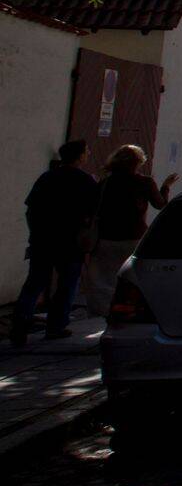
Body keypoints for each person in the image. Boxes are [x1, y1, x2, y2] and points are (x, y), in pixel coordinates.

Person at [9, 140, 97, 346]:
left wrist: (36, 233)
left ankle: (19, 326)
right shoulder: (85, 181)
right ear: (80, 156)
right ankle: (56, 327)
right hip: (70, 242)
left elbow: (31, 209)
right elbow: (93, 214)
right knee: (66, 285)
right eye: (86, 152)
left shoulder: (47, 178)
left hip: (43, 240)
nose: (88, 154)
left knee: (34, 283)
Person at [82, 145, 175, 317]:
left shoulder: (105, 183)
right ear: (138, 162)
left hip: (106, 237)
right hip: (134, 236)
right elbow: (160, 204)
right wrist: (166, 186)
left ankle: (103, 312)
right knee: (132, 277)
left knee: (103, 278)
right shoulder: (145, 182)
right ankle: (129, 310)